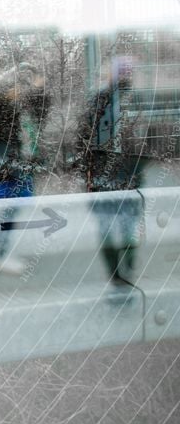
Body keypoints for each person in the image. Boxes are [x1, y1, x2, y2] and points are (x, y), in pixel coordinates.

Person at [74, 57, 146, 281]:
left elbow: (146, 139)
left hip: (125, 176)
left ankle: (126, 269)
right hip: (105, 177)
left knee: (127, 227)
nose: (126, 75)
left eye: (128, 71)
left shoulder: (135, 100)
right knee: (111, 227)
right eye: (122, 71)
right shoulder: (101, 101)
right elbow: (83, 139)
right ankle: (116, 273)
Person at [0, 68, 48, 274]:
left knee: (20, 199)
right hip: (6, 165)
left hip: (13, 163)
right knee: (9, 207)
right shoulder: (2, 108)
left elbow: (41, 111)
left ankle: (1, 250)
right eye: (17, 88)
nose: (20, 92)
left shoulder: (12, 107)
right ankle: (0, 253)